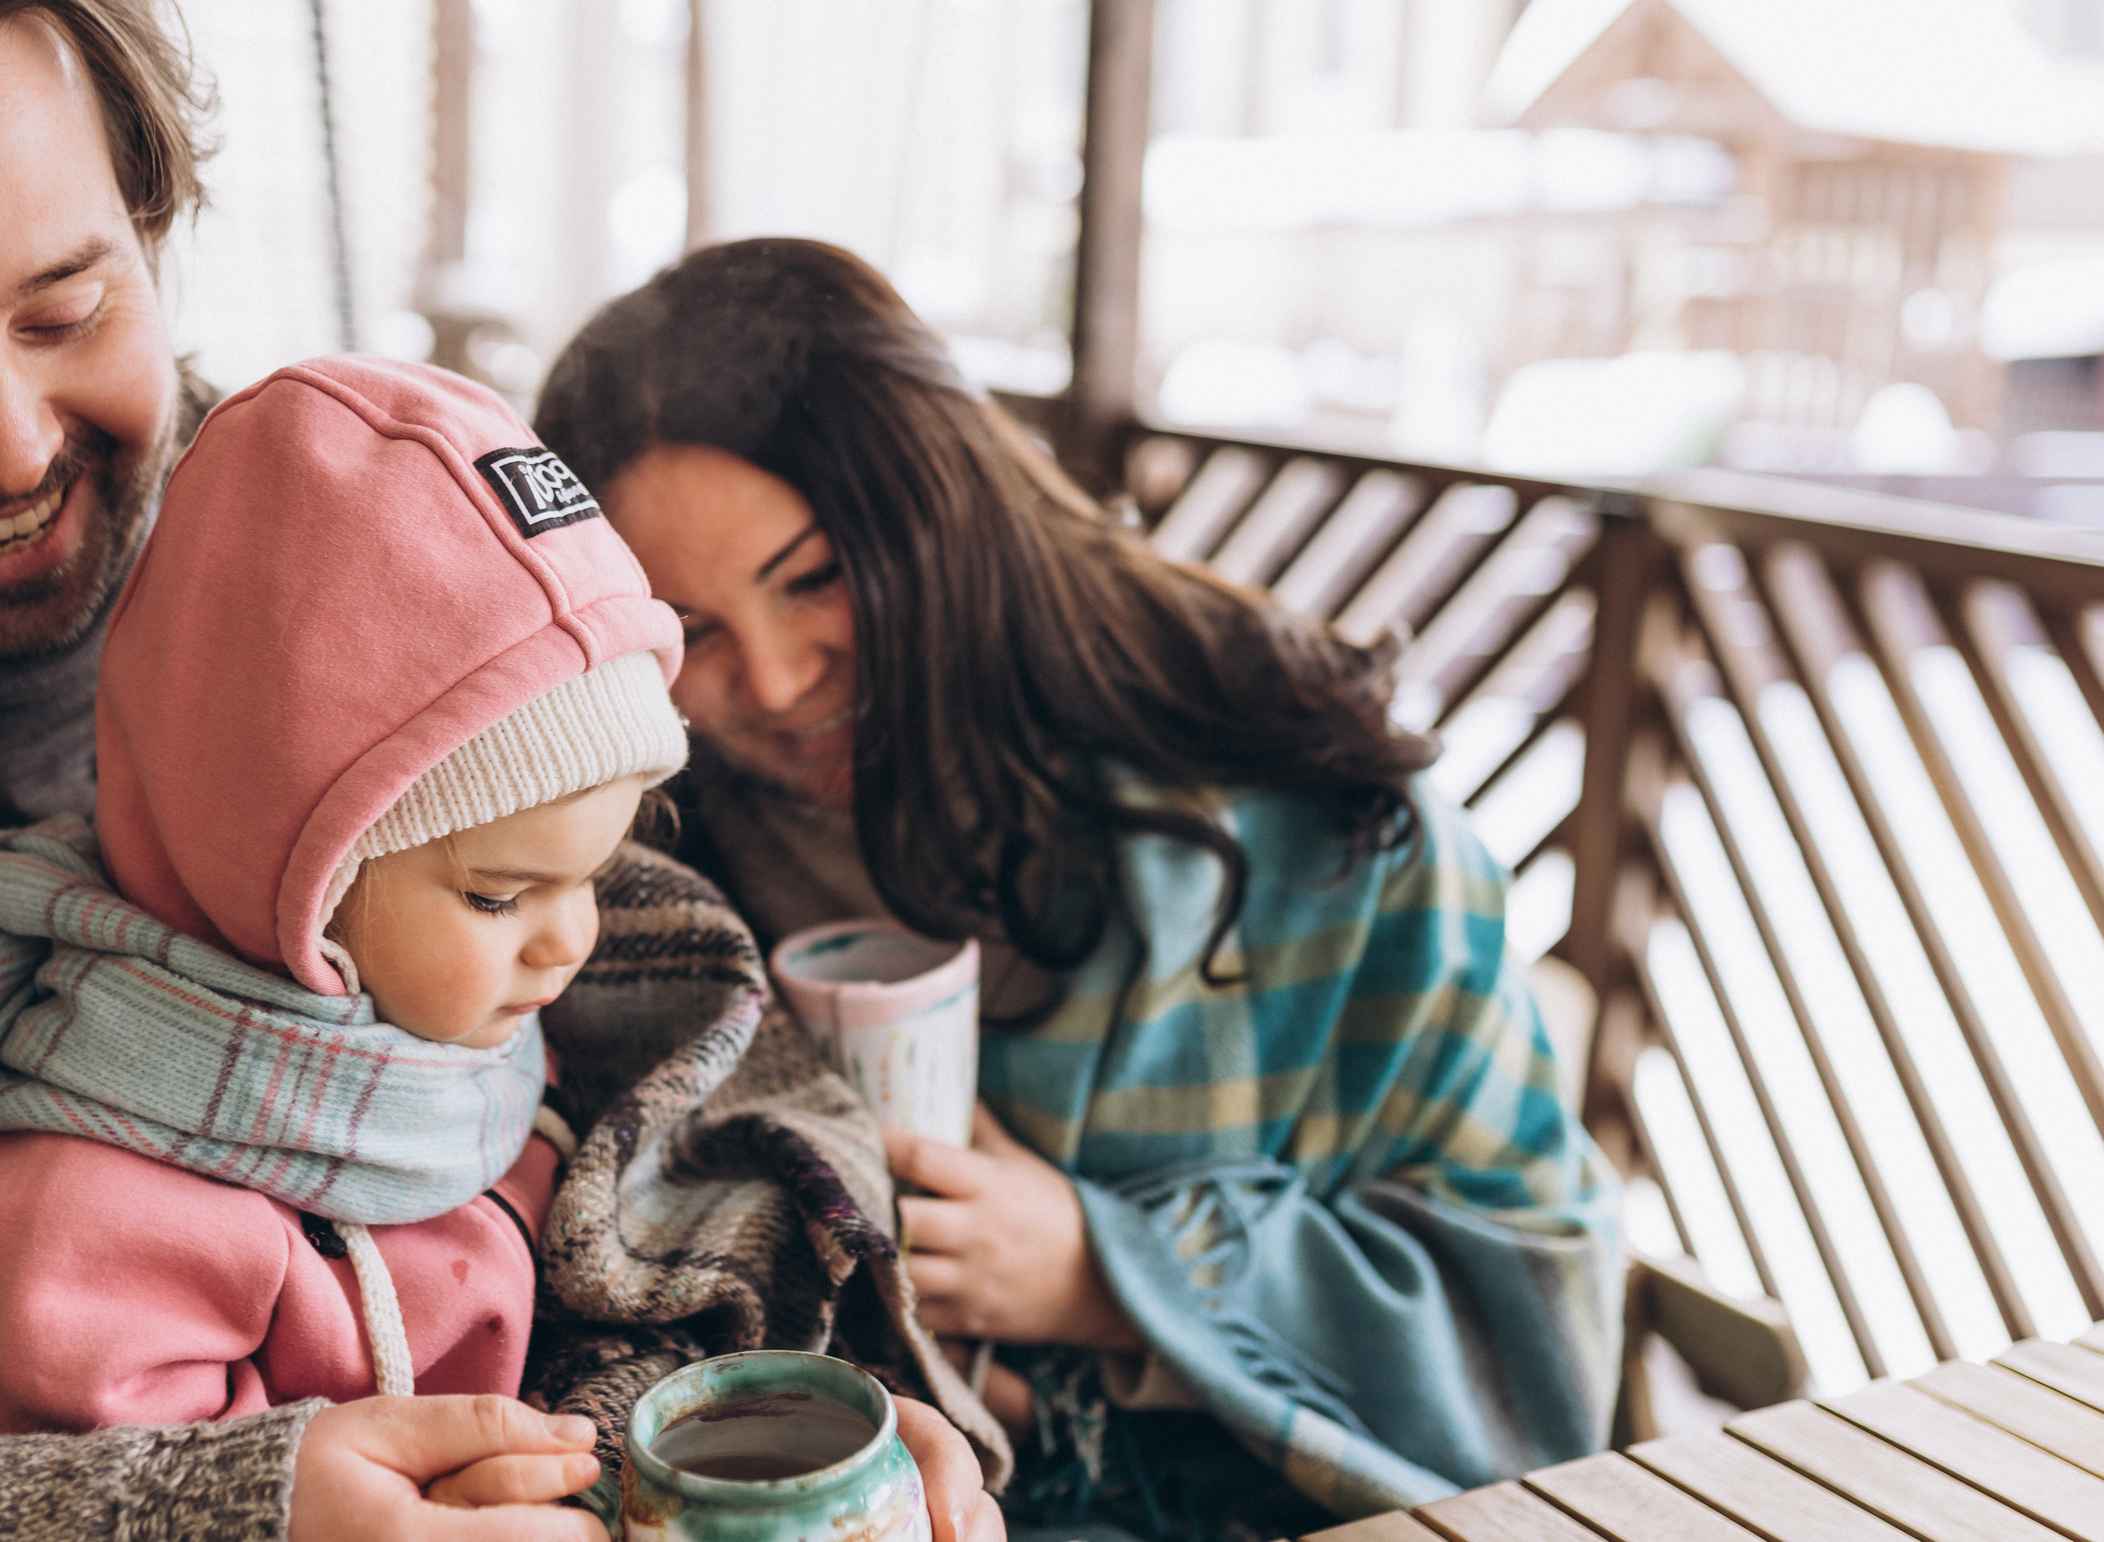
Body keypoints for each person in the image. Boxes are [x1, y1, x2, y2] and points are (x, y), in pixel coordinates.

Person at [0, 0, 1004, 1536]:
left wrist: (784, 1400)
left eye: (69, 307)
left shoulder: (369, 537)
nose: (10, 443)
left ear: (151, 233)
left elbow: (660, 1028)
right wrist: (226, 1515)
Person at [534, 238, 1625, 1540]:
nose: (770, 682)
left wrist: (1114, 1272)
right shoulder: (640, 874)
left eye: (815, 576)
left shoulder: (1325, 823)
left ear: (939, 507)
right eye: (689, 630)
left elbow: (1538, 1326)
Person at [0, 358, 686, 1447]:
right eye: (498, 897)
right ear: (294, 881)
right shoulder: (87, 1219)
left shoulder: (458, 1040)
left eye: (596, 873)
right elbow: (134, 1488)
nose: (570, 941)